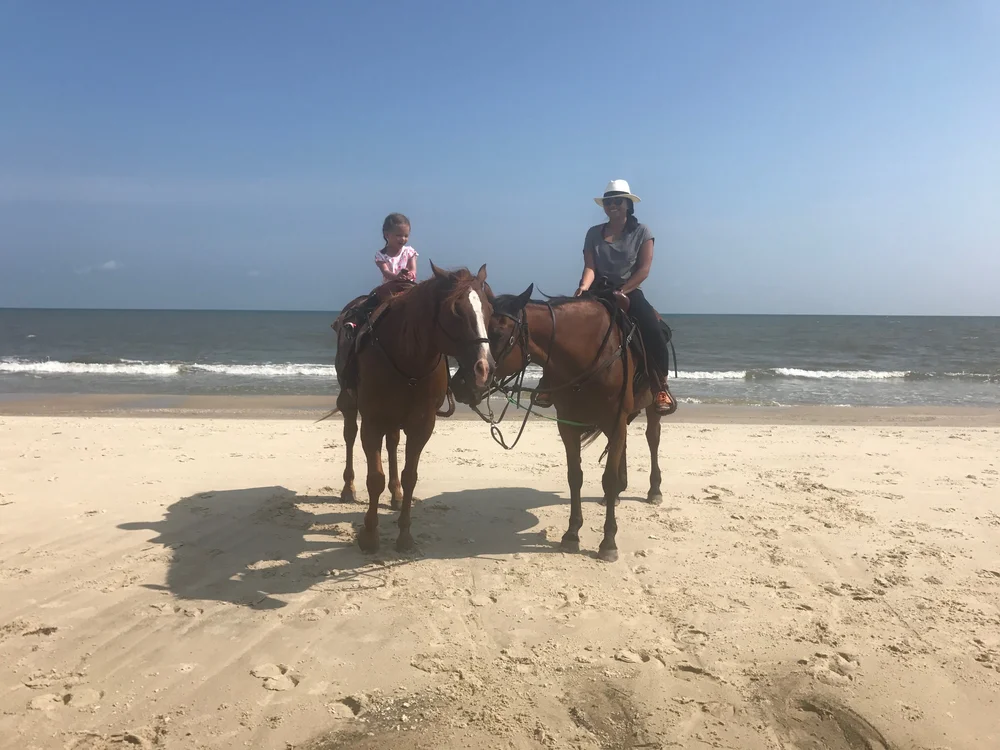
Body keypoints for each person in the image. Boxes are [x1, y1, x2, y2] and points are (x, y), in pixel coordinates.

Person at [536, 179, 676, 415]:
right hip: (597, 290)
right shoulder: (593, 233)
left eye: (618, 201)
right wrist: (583, 287)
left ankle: (660, 386)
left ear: (628, 204)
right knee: (562, 328)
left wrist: (624, 291)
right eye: (608, 202)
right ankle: (548, 383)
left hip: (629, 290)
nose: (613, 205)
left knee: (654, 331)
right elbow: (590, 267)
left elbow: (643, 270)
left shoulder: (642, 232)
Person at [375, 213, 418, 283]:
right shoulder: (381, 255)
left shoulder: (409, 252)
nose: (403, 239)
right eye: (399, 235)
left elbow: (413, 270)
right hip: (390, 287)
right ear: (387, 235)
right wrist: (397, 277)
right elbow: (385, 272)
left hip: (408, 285)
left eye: (406, 236)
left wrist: (409, 275)